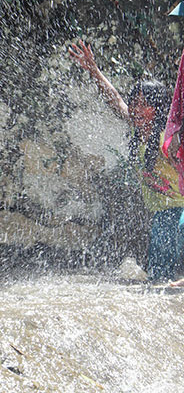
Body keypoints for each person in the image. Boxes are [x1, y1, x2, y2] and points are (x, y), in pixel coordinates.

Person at [69, 39, 184, 281]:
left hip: (177, 213)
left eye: (144, 104)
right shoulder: (138, 129)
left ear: (159, 108)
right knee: (162, 276)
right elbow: (115, 100)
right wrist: (93, 70)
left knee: (159, 279)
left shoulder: (168, 139)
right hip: (163, 214)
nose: (136, 108)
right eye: (135, 102)